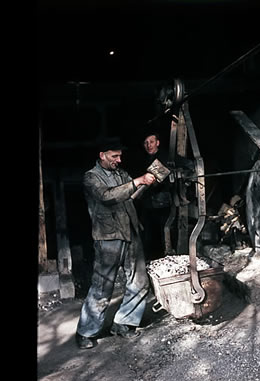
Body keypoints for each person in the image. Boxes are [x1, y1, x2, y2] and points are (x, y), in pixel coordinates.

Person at [75, 137, 156, 350]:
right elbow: (107, 197)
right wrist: (137, 181)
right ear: (102, 155)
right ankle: (85, 332)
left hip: (131, 232)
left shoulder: (121, 174)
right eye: (114, 156)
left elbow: (131, 196)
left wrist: (148, 182)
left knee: (139, 281)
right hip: (108, 238)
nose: (119, 160)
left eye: (120, 156)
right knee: (102, 287)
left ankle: (124, 323)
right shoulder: (91, 177)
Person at [138, 132, 193, 260]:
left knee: (165, 232)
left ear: (157, 143)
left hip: (163, 203)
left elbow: (189, 165)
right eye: (146, 143)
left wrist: (180, 174)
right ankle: (150, 261)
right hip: (147, 204)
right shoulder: (142, 160)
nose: (149, 145)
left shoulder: (167, 157)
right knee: (148, 235)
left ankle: (166, 259)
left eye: (151, 142)